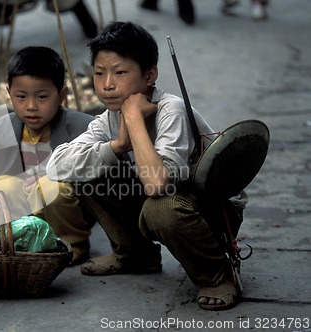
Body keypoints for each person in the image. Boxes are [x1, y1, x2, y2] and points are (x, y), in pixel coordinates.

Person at [46, 21, 244, 310]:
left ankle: (216, 273)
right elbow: (57, 168)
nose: (107, 84)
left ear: (150, 74)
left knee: (159, 208)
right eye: (99, 73)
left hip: (212, 209)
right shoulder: (108, 119)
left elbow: (157, 185)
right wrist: (117, 146)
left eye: (120, 72)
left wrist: (135, 122)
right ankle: (135, 254)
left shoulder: (171, 109)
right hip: (168, 198)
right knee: (90, 167)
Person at [0, 46, 95, 266]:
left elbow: (92, 178)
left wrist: (48, 177)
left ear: (62, 95)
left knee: (50, 186)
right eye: (21, 97)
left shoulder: (82, 127)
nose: (31, 106)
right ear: (9, 93)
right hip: (23, 204)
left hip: (64, 208)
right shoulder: (1, 130)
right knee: (2, 184)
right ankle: (17, 240)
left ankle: (74, 244)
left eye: (42, 97)